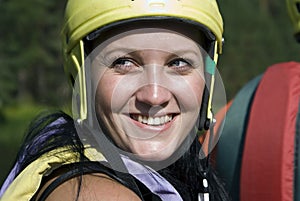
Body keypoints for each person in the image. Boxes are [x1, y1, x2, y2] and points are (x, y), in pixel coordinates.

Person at [0, 0, 230, 200]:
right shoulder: (93, 193)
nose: (154, 96)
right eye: (124, 63)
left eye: (179, 63)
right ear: (83, 76)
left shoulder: (188, 172)